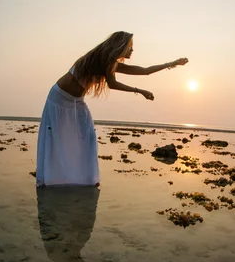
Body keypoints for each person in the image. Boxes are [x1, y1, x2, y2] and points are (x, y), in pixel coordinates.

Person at [36, 31, 189, 187]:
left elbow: (145, 70)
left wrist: (172, 63)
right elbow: (113, 84)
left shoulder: (112, 63)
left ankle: (86, 178)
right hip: (59, 98)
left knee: (87, 135)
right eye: (130, 47)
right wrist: (140, 91)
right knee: (55, 137)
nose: (132, 51)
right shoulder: (106, 60)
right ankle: (51, 178)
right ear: (121, 46)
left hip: (77, 101)